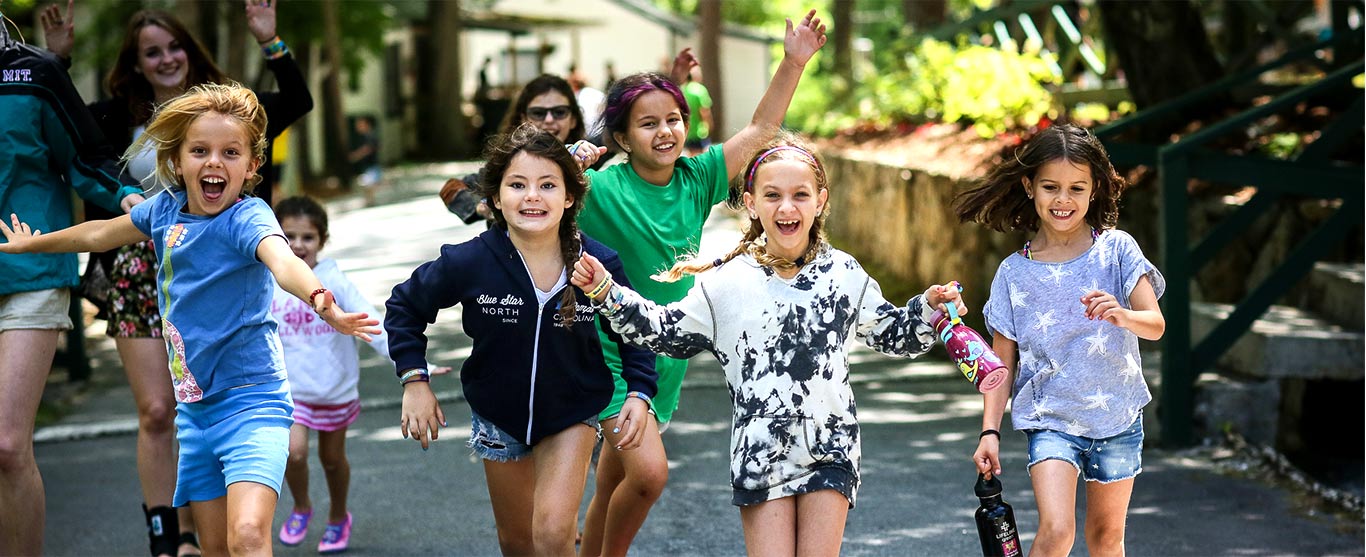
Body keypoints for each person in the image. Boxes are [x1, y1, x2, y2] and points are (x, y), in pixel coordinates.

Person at [0, 82, 378, 556]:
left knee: (247, 536)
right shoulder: (162, 210)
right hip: (194, 415)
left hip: (253, 402)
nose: (215, 162)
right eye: (200, 150)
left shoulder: (248, 218)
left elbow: (285, 263)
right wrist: (30, 243)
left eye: (231, 152)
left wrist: (323, 300)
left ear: (251, 166)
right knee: (215, 548)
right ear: (178, 162)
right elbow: (98, 234)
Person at [570, 133, 964, 556]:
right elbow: (662, 330)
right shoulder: (728, 283)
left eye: (800, 195)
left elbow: (894, 334)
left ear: (820, 200)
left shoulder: (844, 274)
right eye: (772, 195)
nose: (787, 207)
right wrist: (606, 291)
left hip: (831, 448)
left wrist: (929, 307)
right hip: (761, 454)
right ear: (752, 202)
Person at [38, 3, 312, 554]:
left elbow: (283, 259)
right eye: (151, 51)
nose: (165, 58)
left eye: (173, 46)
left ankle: (201, 522)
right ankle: (168, 532)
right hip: (144, 274)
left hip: (227, 295)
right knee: (162, 409)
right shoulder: (121, 122)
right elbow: (66, 128)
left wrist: (271, 41)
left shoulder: (229, 122)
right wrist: (54, 58)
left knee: (246, 532)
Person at [575, 11, 826, 556]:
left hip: (667, 352)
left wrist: (793, 61)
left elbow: (761, 131)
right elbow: (535, 188)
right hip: (612, 351)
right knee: (647, 477)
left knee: (613, 481)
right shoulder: (598, 187)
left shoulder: (697, 177)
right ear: (621, 137)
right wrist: (573, 159)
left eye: (674, 119)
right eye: (648, 124)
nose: (665, 131)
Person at [384, 124, 657, 556]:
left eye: (548, 185)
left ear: (569, 197)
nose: (533, 196)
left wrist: (640, 392)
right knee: (518, 542)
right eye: (517, 184)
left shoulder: (598, 262)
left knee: (551, 535)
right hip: (498, 415)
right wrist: (414, 381)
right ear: (495, 197)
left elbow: (632, 331)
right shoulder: (470, 261)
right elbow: (404, 306)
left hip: (573, 410)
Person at [952, 124, 1166, 557]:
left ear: (1094, 190)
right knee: (1057, 531)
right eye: (1051, 187)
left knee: (1106, 540)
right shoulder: (1013, 273)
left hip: (1117, 418)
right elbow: (1000, 365)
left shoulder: (1118, 250)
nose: (1063, 200)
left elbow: (1155, 323)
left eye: (1076, 188)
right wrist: (988, 432)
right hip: (1051, 421)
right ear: (1030, 187)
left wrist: (1123, 315)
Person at [0, 15, 145, 555]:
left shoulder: (34, 74)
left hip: (30, 270)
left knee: (9, 445)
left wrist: (125, 195)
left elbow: (86, 156)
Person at [269, 196, 446, 552]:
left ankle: (337, 516)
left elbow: (369, 322)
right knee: (294, 453)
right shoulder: (272, 280)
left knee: (333, 461)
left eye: (308, 237)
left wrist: (413, 366)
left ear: (322, 240)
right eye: (290, 237)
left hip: (335, 390)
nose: (299, 245)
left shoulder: (333, 279)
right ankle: (302, 506)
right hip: (292, 391)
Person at [681, 62, 713, 155]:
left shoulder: (683, 90)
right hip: (700, 131)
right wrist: (710, 125)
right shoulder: (699, 90)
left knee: (691, 156)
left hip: (688, 131)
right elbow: (704, 111)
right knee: (702, 158)